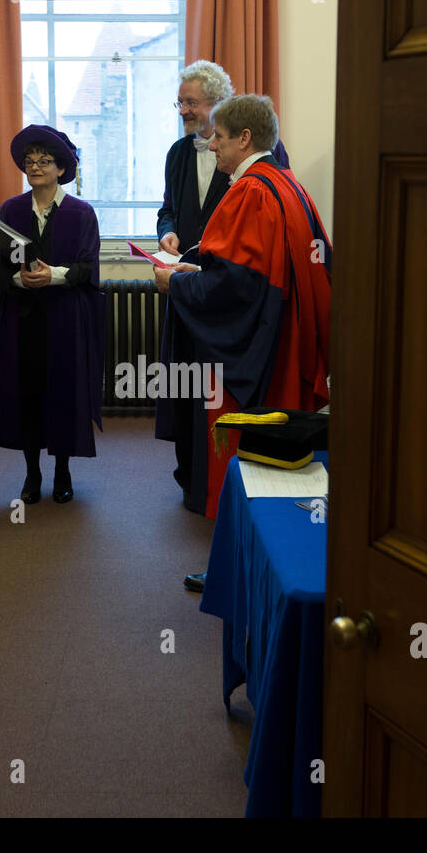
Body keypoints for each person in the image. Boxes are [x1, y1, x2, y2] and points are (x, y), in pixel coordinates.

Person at [153, 95, 331, 591]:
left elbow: (235, 286)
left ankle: (234, 572)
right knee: (281, 465)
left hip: (252, 353)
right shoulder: (289, 185)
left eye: (218, 137)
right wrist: (199, 270)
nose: (210, 145)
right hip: (285, 339)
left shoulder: (250, 191)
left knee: (242, 458)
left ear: (244, 138)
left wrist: (178, 284)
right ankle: (264, 566)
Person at [155, 61, 289, 514]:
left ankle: (213, 484)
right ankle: (190, 478)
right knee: (185, 387)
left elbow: (263, 233)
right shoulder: (177, 152)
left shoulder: (264, 165)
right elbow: (167, 208)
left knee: (215, 391)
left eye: (191, 102)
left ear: (219, 104)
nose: (184, 111)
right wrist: (168, 234)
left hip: (224, 296)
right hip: (187, 286)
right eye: (181, 102)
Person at [0, 125, 104, 503]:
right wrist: (18, 280)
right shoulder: (11, 209)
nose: (35, 167)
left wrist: (53, 275)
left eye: (44, 161)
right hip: (22, 322)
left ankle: (63, 472)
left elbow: (88, 269)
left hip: (65, 319)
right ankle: (32, 474)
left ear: (61, 168)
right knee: (27, 395)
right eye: (29, 161)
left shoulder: (81, 214)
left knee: (63, 395)